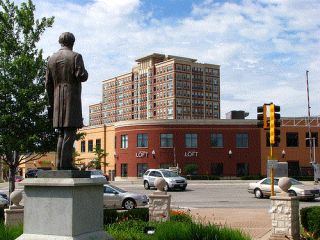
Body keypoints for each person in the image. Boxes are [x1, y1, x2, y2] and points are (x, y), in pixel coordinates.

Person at [45, 32, 88, 170]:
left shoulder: (51, 59)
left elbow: (48, 84)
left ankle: (59, 164)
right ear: (72, 42)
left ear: (60, 42)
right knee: (70, 131)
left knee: (61, 132)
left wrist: (52, 103)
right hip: (71, 97)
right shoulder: (76, 56)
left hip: (57, 98)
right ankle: (66, 164)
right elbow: (82, 76)